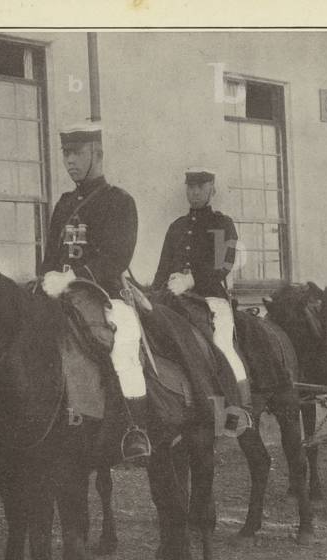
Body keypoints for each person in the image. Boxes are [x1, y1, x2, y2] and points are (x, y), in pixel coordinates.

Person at [39, 123, 149, 461]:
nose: (69, 161)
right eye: (65, 154)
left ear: (97, 154)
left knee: (125, 341)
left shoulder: (119, 200)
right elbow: (50, 256)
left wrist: (75, 276)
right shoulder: (64, 203)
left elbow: (117, 257)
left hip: (105, 294)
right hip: (62, 294)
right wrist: (46, 278)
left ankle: (135, 427)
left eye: (77, 153)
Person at [153, 168, 252, 424]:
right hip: (173, 299)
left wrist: (192, 279)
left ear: (212, 190)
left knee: (222, 344)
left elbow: (223, 265)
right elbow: (162, 268)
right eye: (190, 187)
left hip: (210, 299)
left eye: (200, 187)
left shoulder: (221, 224)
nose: (194, 192)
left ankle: (238, 407)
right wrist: (155, 293)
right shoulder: (177, 227)